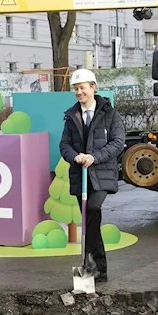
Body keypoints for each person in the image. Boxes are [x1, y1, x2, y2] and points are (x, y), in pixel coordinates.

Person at [59, 68, 125, 282]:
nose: (79, 92)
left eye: (83, 88)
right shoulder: (71, 116)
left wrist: (94, 157)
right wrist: (75, 157)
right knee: (89, 220)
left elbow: (117, 143)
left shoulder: (110, 114)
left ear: (93, 87)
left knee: (93, 210)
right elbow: (64, 144)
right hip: (81, 175)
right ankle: (98, 268)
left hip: (102, 174)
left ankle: (92, 263)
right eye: (76, 89)